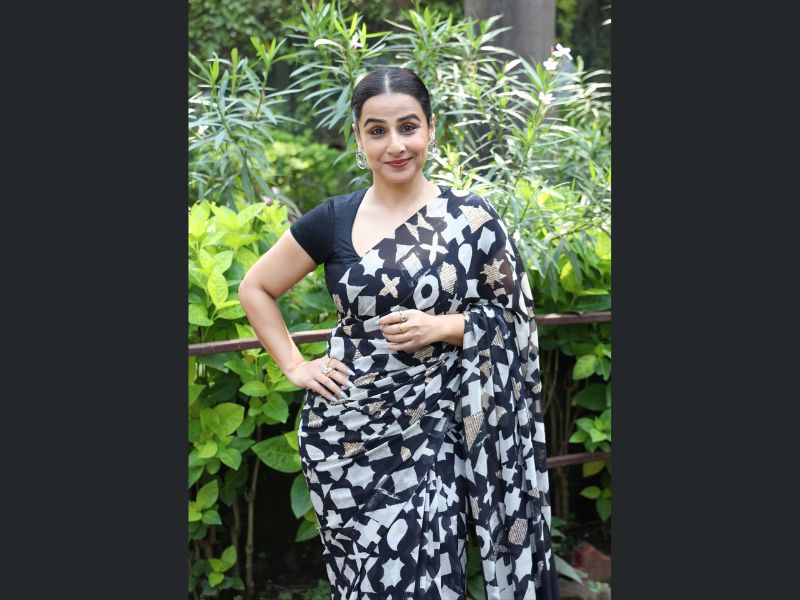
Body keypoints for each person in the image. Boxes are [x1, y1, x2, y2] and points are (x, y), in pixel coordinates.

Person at [238, 67, 559, 599]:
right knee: (364, 584)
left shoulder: (472, 220)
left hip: (437, 430)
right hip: (345, 438)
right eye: (377, 131)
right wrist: (294, 365)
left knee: (429, 577)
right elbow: (255, 287)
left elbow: (513, 320)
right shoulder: (334, 220)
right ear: (358, 137)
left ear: (431, 128)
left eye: (408, 127)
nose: (395, 145)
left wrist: (444, 326)